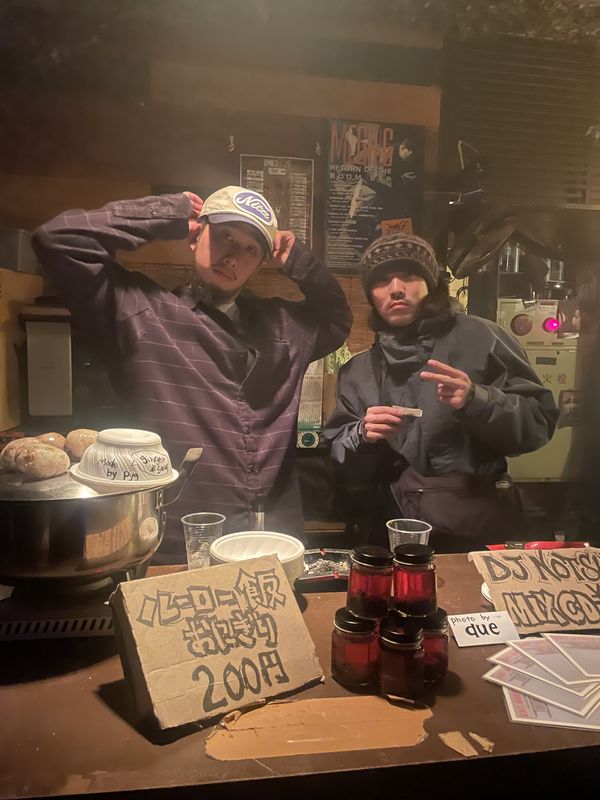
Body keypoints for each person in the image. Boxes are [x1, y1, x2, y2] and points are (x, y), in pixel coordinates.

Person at [33, 186, 352, 562]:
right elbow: (57, 240)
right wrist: (167, 212)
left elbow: (337, 318)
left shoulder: (284, 328)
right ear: (195, 235)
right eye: (224, 236)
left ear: (260, 264)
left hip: (272, 544)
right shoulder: (142, 313)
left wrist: (299, 260)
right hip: (179, 545)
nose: (232, 257)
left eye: (250, 249)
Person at [323, 232, 558, 552]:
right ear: (371, 295)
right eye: (381, 280)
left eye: (408, 275)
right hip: (385, 532)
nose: (395, 288)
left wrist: (478, 400)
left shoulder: (483, 338)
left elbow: (538, 422)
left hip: (472, 532)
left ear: (430, 284)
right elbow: (339, 455)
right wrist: (361, 435)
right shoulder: (357, 370)